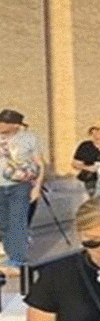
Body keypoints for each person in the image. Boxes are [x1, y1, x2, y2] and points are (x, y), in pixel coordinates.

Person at [0, 109, 44, 269]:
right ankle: (11, 254)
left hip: (20, 186)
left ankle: (19, 258)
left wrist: (37, 187)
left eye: (4, 122)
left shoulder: (29, 138)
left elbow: (40, 164)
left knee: (17, 221)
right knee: (4, 223)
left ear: (15, 125)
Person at [72, 124, 100, 197]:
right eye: (95, 136)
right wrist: (88, 168)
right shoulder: (86, 146)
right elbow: (75, 164)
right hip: (90, 179)